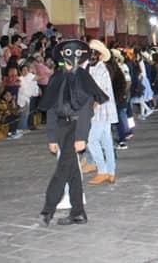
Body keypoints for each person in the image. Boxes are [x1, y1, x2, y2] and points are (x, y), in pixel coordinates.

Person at [39, 40, 108, 226]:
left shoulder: (84, 78)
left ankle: (48, 208)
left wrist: (81, 137)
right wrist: (52, 137)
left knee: (63, 168)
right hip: (61, 127)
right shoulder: (57, 77)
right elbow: (52, 108)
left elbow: (86, 109)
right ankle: (78, 212)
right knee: (72, 171)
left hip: (76, 128)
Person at [86, 40, 118, 185]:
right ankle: (111, 172)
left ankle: (102, 170)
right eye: (90, 52)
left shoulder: (100, 69)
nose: (92, 55)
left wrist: (92, 105)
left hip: (100, 109)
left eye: (94, 53)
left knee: (92, 141)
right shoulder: (91, 68)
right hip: (102, 109)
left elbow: (99, 91)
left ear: (99, 55)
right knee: (106, 141)